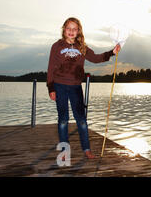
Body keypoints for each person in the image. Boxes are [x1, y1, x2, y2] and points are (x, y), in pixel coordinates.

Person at [47, 17, 121, 159]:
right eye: (69, 28)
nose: (71, 31)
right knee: (63, 119)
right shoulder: (56, 46)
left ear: (78, 31)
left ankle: (87, 149)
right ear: (64, 30)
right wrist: (51, 88)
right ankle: (64, 151)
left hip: (75, 87)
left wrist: (112, 52)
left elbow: (96, 58)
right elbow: (51, 68)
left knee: (81, 119)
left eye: (74, 29)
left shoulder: (82, 47)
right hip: (60, 86)